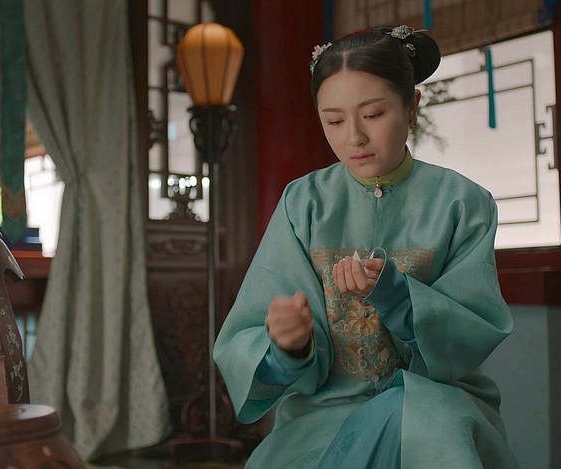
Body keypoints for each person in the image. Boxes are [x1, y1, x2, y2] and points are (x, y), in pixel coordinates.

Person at [213, 25, 520, 468]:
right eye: (334, 121)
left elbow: (471, 333)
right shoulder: (304, 203)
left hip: (434, 403)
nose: (354, 137)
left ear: (412, 106)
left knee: (418, 426)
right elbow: (248, 337)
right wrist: (290, 346)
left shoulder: (463, 203)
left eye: (373, 114)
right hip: (323, 414)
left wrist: (398, 297)